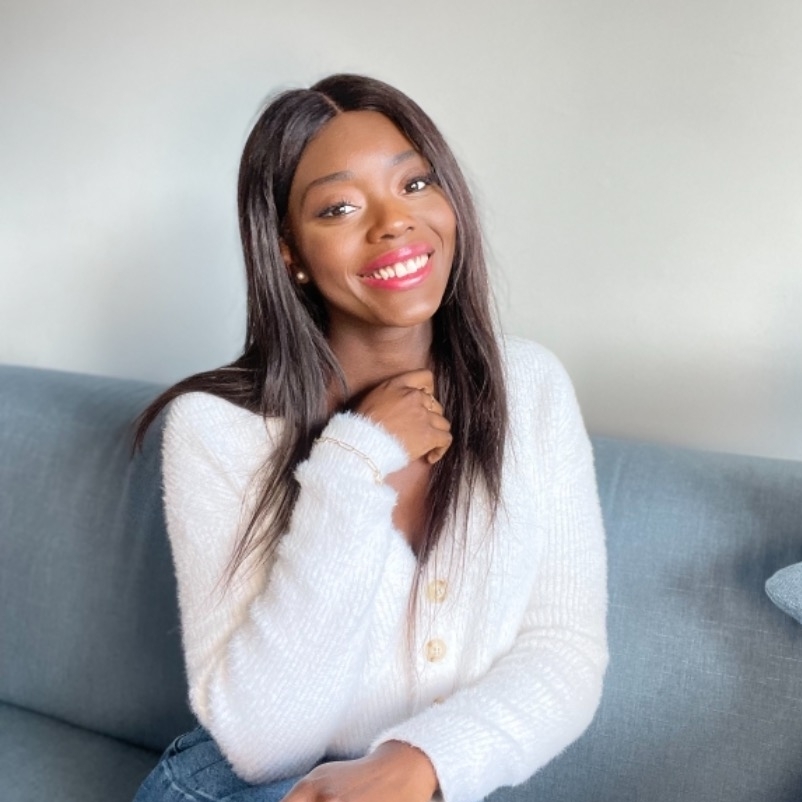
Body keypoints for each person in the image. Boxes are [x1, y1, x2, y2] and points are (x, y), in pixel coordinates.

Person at [132, 73, 608, 802]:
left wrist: (421, 762)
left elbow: (563, 649)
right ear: (290, 252)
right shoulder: (217, 428)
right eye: (340, 207)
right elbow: (263, 743)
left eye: (415, 185)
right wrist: (353, 464)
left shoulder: (530, 387)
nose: (393, 223)